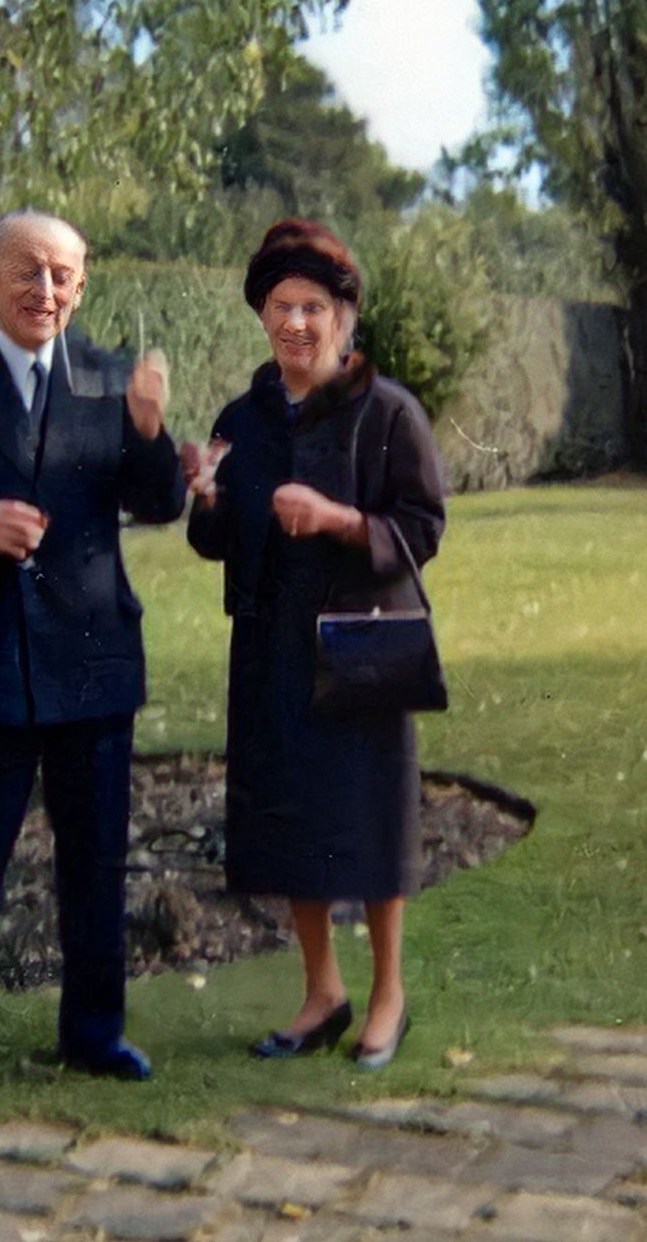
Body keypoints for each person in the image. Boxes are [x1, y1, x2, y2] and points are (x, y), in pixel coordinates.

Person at [0, 208, 185, 1082]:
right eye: (27, 270)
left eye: (62, 275)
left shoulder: (110, 380)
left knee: (94, 865)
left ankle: (93, 1034)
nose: (44, 290)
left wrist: (152, 433)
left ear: (82, 287)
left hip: (91, 662)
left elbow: (160, 503)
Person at [183, 219, 445, 1069]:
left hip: (360, 649)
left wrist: (337, 520)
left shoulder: (387, 412)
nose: (294, 323)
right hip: (270, 652)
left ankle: (387, 996)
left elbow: (422, 524)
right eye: (279, 306)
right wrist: (208, 498)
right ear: (262, 314)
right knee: (293, 820)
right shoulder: (243, 416)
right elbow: (213, 543)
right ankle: (322, 990)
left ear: (342, 318)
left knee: (369, 820)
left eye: (311, 308)